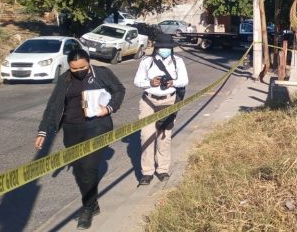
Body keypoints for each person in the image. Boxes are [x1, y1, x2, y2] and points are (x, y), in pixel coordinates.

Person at [34, 49, 125, 230]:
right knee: (80, 170)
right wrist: (43, 131)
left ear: (89, 62)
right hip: (72, 129)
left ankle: (87, 208)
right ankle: (93, 202)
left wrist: (109, 108)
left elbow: (119, 90)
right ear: (69, 66)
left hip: (97, 127)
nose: (79, 71)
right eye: (74, 69)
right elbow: (53, 105)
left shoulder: (102, 73)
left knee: (89, 168)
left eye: (82, 67)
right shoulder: (64, 79)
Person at [134, 33, 189, 185]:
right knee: (147, 137)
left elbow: (184, 80)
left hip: (169, 101)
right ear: (157, 48)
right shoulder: (147, 62)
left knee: (164, 137)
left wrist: (173, 82)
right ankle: (147, 172)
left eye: (168, 48)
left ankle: (163, 169)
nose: (165, 50)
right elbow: (137, 81)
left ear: (171, 49)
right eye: (162, 47)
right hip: (148, 102)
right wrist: (150, 82)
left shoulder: (178, 61)